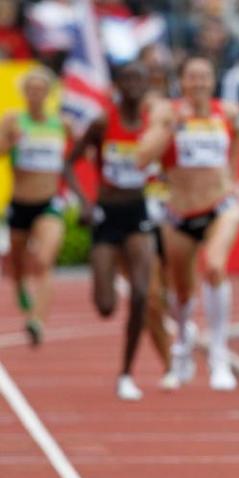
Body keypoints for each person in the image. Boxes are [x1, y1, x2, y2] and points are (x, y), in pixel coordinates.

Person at [63, 61, 171, 400]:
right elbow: (68, 164)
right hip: (107, 216)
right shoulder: (102, 122)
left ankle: (126, 373)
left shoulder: (154, 125)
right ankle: (107, 285)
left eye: (141, 78)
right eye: (128, 78)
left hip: (138, 213)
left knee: (141, 293)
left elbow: (170, 162)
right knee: (106, 306)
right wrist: (84, 201)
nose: (134, 84)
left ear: (148, 84)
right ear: (118, 85)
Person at [136, 55, 239, 391]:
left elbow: (238, 140)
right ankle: (182, 345)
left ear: (213, 81)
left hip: (220, 206)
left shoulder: (227, 112)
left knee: (214, 266)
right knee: (181, 290)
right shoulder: (167, 112)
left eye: (204, 77)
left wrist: (232, 179)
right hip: (179, 214)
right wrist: (169, 126)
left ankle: (219, 356)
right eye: (192, 77)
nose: (198, 83)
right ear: (182, 82)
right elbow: (142, 157)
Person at [0, 67, 67, 346]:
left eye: (41, 90)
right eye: (32, 89)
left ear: (49, 93)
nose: (36, 94)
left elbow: (75, 158)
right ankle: (18, 286)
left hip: (49, 203)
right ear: (25, 93)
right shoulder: (13, 121)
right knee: (17, 262)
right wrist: (9, 141)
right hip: (20, 203)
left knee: (42, 261)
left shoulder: (61, 124)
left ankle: (37, 322)